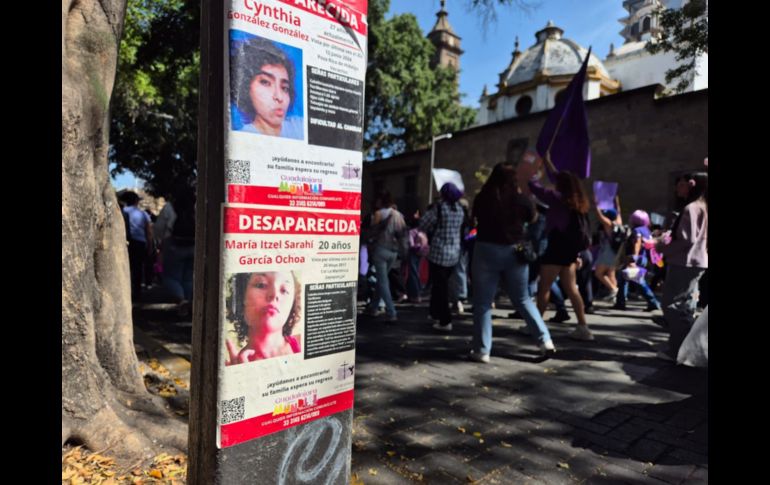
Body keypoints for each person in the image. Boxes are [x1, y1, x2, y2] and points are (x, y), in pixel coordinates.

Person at [470, 162, 555, 362]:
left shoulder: (483, 197)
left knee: (483, 302)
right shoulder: (521, 200)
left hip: (485, 250)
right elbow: (533, 218)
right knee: (523, 299)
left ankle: (482, 350)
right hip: (515, 252)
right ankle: (545, 341)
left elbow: (473, 220)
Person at [520, 151, 594, 341]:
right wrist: (548, 162)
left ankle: (536, 326)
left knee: (544, 287)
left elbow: (535, 187)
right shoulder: (578, 202)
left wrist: (535, 172)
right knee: (571, 288)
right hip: (570, 250)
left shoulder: (556, 198)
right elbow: (559, 178)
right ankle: (583, 327)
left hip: (556, 246)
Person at [655, 172, 708, 362]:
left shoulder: (692, 208)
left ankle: (680, 349)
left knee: (673, 305)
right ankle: (684, 347)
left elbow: (687, 239)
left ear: (693, 186)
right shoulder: (703, 207)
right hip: (697, 261)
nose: (678, 187)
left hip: (685, 262)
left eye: (683, 184)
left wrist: (662, 247)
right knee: (684, 306)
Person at [230, 36, 303, 139]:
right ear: (246, 88)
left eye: (284, 88)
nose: (279, 97)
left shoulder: (300, 127)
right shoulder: (242, 137)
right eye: (265, 82)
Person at [224, 271, 302, 365]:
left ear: (292, 305)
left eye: (284, 290)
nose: (274, 294)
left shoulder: (304, 344)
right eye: (261, 285)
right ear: (241, 297)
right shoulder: (237, 366)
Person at [419, 182, 466, 332]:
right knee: (440, 285)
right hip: (454, 253)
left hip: (439, 253)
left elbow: (423, 224)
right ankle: (434, 313)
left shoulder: (439, 208)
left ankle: (445, 321)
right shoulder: (460, 209)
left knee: (440, 288)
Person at [364, 191, 408, 322]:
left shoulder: (378, 214)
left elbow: (371, 232)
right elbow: (403, 234)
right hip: (394, 252)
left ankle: (391, 312)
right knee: (381, 280)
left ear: (381, 202)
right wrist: (404, 252)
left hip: (381, 250)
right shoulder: (399, 215)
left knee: (383, 282)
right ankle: (373, 308)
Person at [154, 186, 196, 316]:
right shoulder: (197, 207)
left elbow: (158, 228)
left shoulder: (169, 207)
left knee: (171, 276)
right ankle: (188, 302)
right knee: (188, 278)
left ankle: (181, 301)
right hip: (193, 245)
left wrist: (159, 242)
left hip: (173, 246)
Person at [122, 191, 153, 301]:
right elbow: (148, 232)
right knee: (138, 268)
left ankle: (126, 290)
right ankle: (137, 291)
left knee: (127, 267)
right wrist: (150, 246)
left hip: (125, 243)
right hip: (140, 243)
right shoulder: (143, 214)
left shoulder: (121, 212)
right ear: (136, 201)